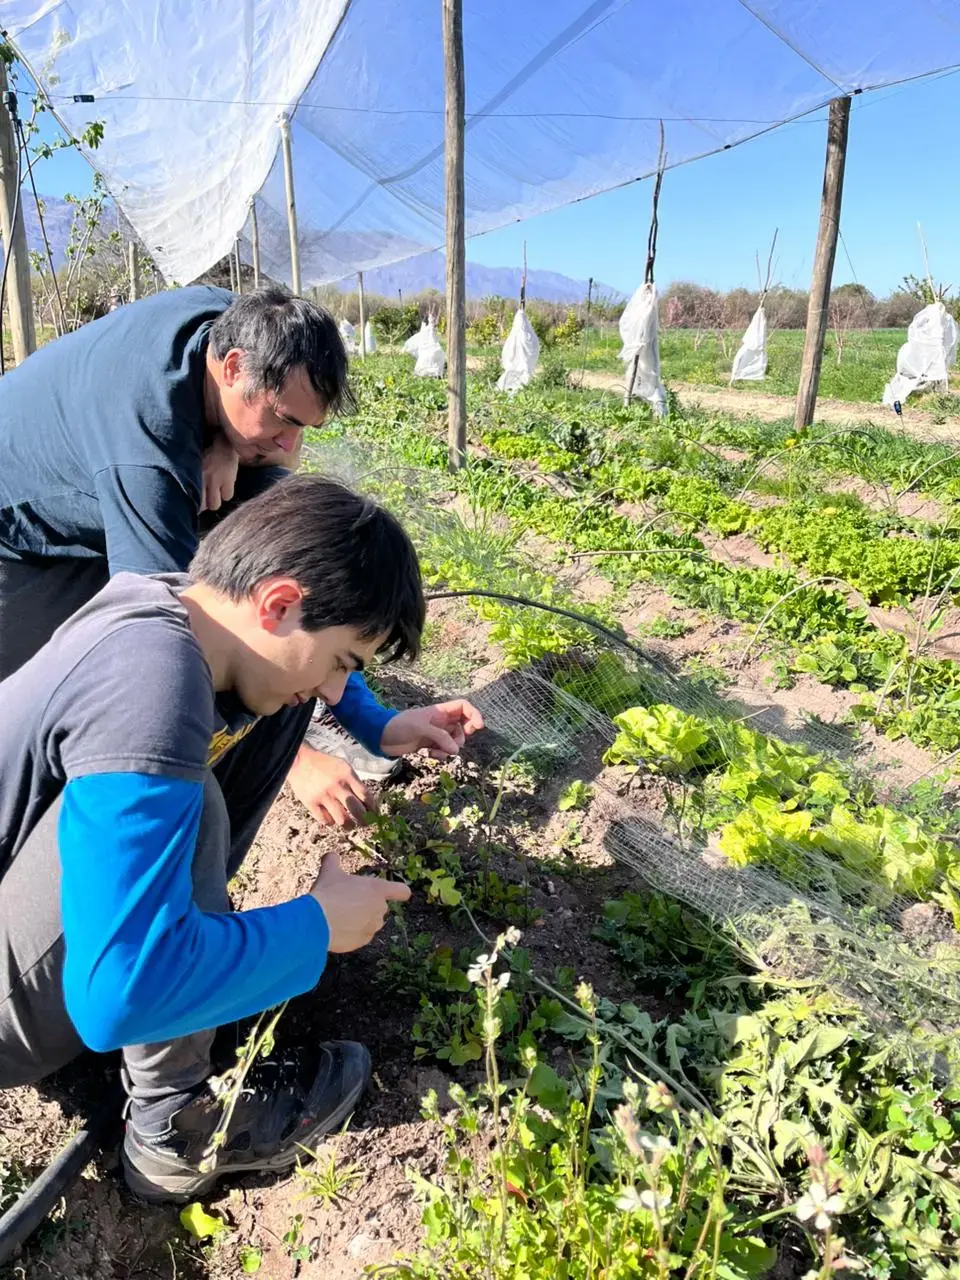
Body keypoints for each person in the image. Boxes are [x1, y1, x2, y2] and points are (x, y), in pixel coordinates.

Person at [0, 474, 483, 1203]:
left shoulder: (178, 608)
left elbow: (302, 664)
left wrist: (377, 721)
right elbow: (115, 997)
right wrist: (315, 927)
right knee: (192, 800)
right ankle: (173, 1127)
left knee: (276, 711)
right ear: (280, 602)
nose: (332, 691)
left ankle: (179, 1000)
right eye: (344, 661)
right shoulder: (152, 690)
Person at [0, 283, 430, 831]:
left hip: (120, 479)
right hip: (20, 530)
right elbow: (162, 644)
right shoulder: (147, 450)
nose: (289, 448)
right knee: (50, 711)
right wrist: (300, 764)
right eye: (283, 421)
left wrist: (227, 441)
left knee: (279, 641)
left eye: (304, 427)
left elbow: (321, 600)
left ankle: (197, 895)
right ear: (230, 370)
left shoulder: (235, 320)